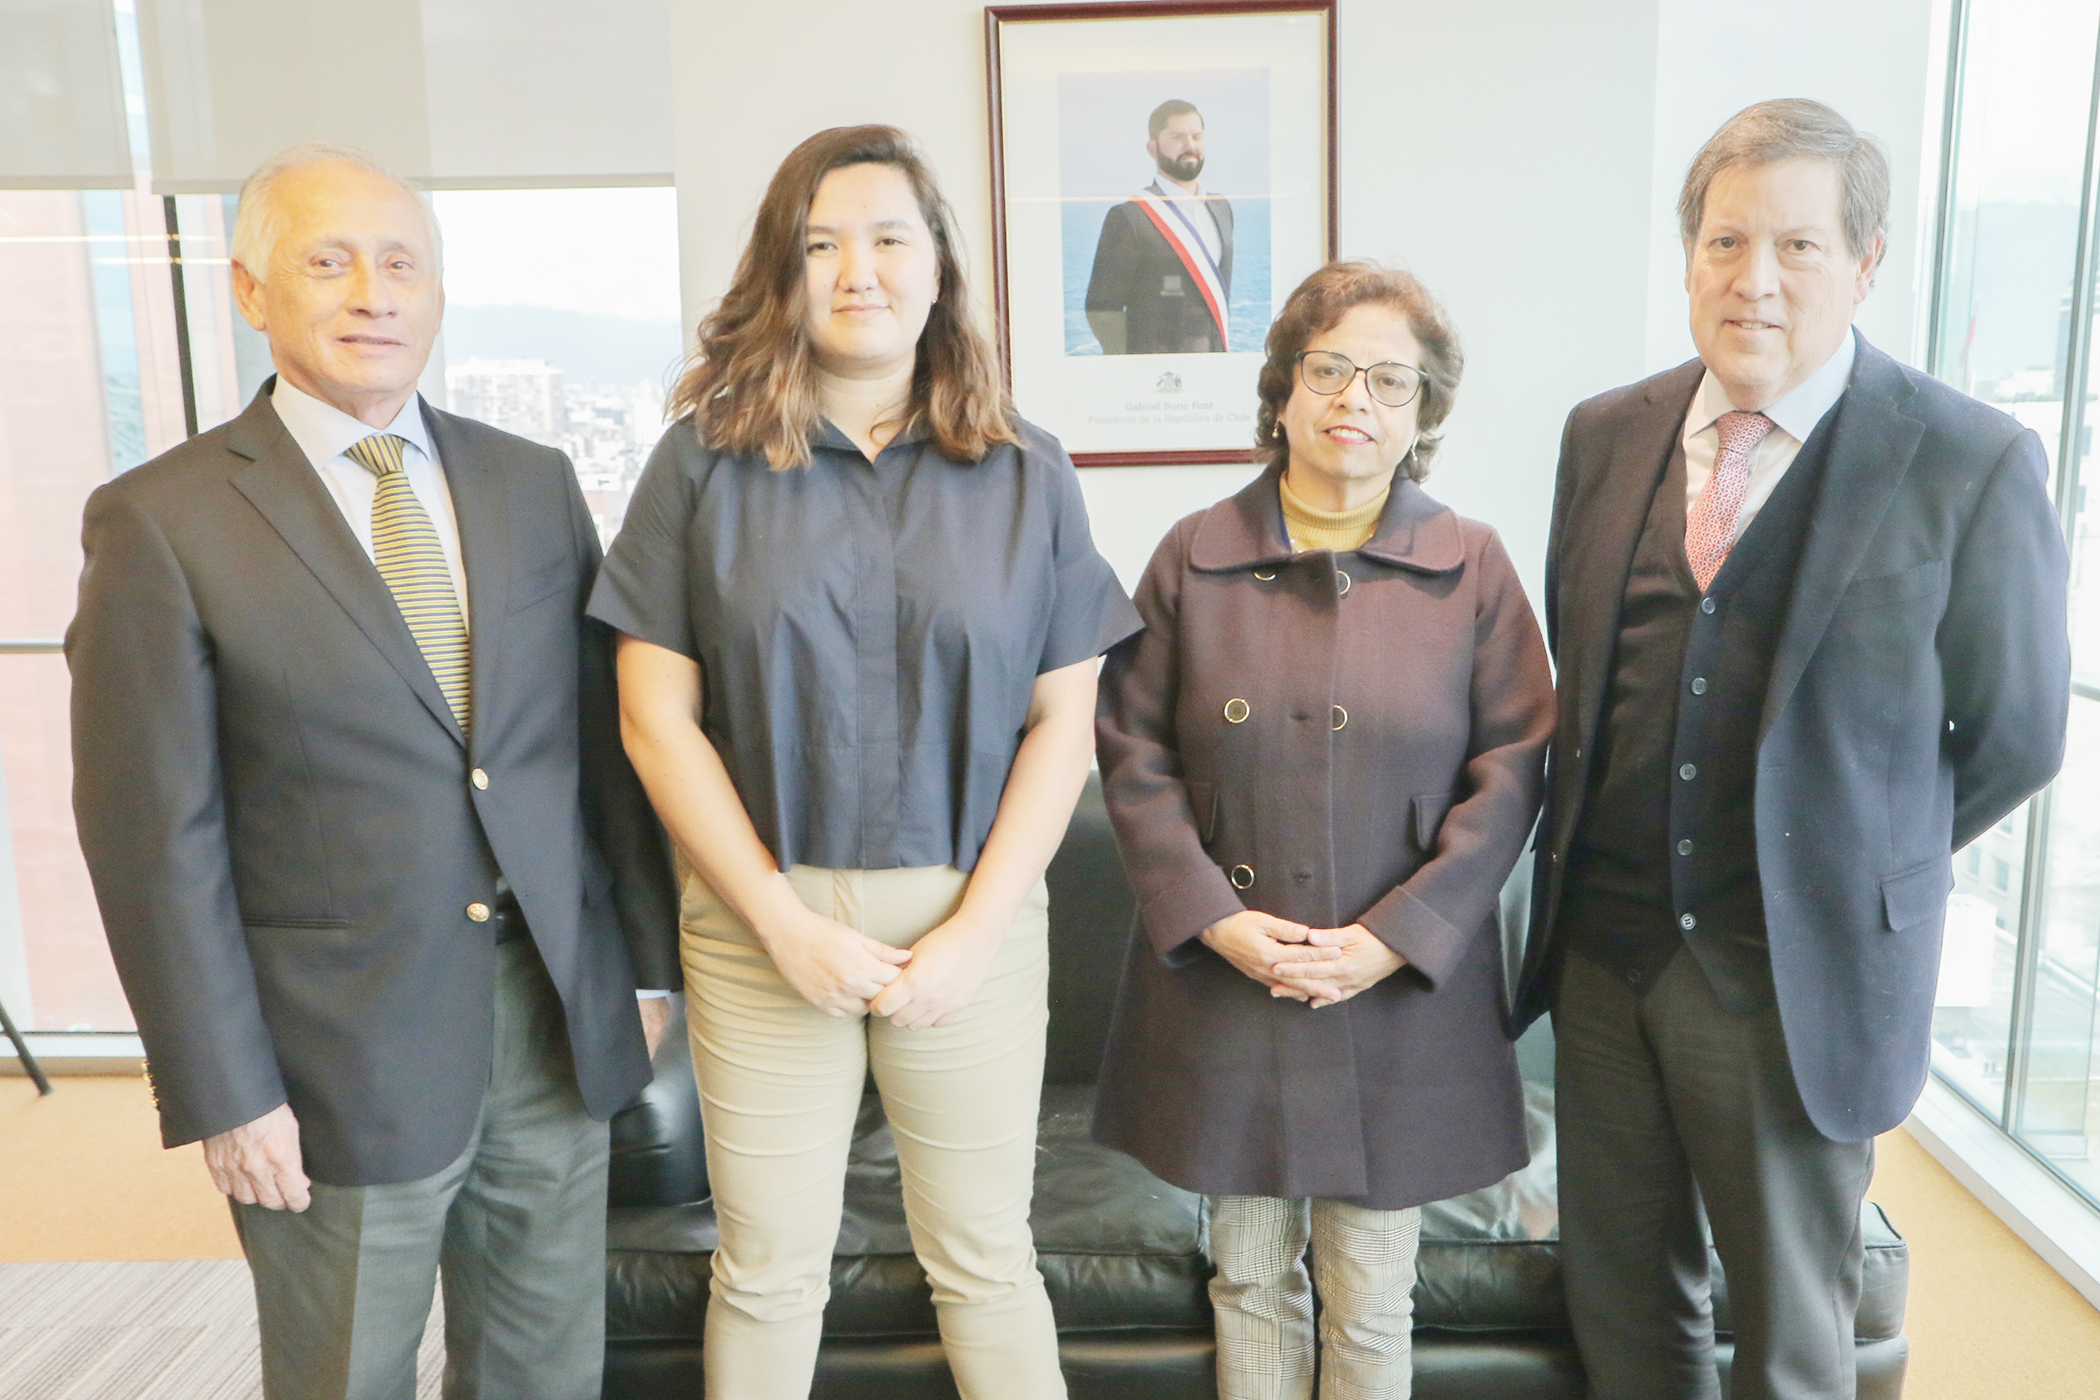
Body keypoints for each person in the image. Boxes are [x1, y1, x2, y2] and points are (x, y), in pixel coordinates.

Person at [67, 142, 678, 1399]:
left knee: (547, 1372)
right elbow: (152, 837)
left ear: (438, 292)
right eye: (329, 262)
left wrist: (643, 966)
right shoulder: (162, 519)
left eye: (401, 264)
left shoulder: (533, 482)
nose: (373, 294)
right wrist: (225, 1089)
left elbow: (596, 751)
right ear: (251, 290)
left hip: (551, 1020)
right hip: (330, 1056)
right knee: (346, 1373)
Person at [1514, 99, 2071, 1400]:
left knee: (1793, 1344)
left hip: (1794, 977)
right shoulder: (1604, 434)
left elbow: (2017, 733)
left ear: (1865, 263)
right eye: (1725, 242)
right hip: (1606, 959)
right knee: (1623, 1313)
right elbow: (1582, 674)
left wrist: (1850, 855)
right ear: (1689, 257)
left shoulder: (1970, 459)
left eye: (1797, 246)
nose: (1752, 280)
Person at [593, 124, 1139, 1400]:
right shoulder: (698, 464)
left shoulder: (1029, 470)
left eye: (890, 238)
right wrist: (779, 923)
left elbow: (1065, 724)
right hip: (760, 922)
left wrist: (972, 935)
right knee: (766, 1271)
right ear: (780, 274)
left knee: (986, 1263)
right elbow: (654, 720)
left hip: (971, 923)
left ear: (937, 266)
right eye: (821, 244)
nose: (859, 271)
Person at [1093, 259, 1554, 1399]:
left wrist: (1394, 937)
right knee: (1249, 1279)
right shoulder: (1192, 553)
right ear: (1284, 390)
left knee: (1372, 1292)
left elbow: (1515, 770)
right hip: (1230, 978)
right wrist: (1217, 921)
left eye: (1392, 380)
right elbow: (1132, 754)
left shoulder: (1474, 564)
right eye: (1331, 368)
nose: (1357, 398)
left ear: (1423, 411)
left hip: (1398, 990)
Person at [1084, 98, 1236, 354]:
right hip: (1156, 372)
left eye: (1196, 137)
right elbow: (1101, 310)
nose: (1190, 146)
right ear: (1152, 148)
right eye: (1177, 137)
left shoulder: (1221, 208)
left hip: (1213, 367)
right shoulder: (1129, 217)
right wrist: (1137, 367)